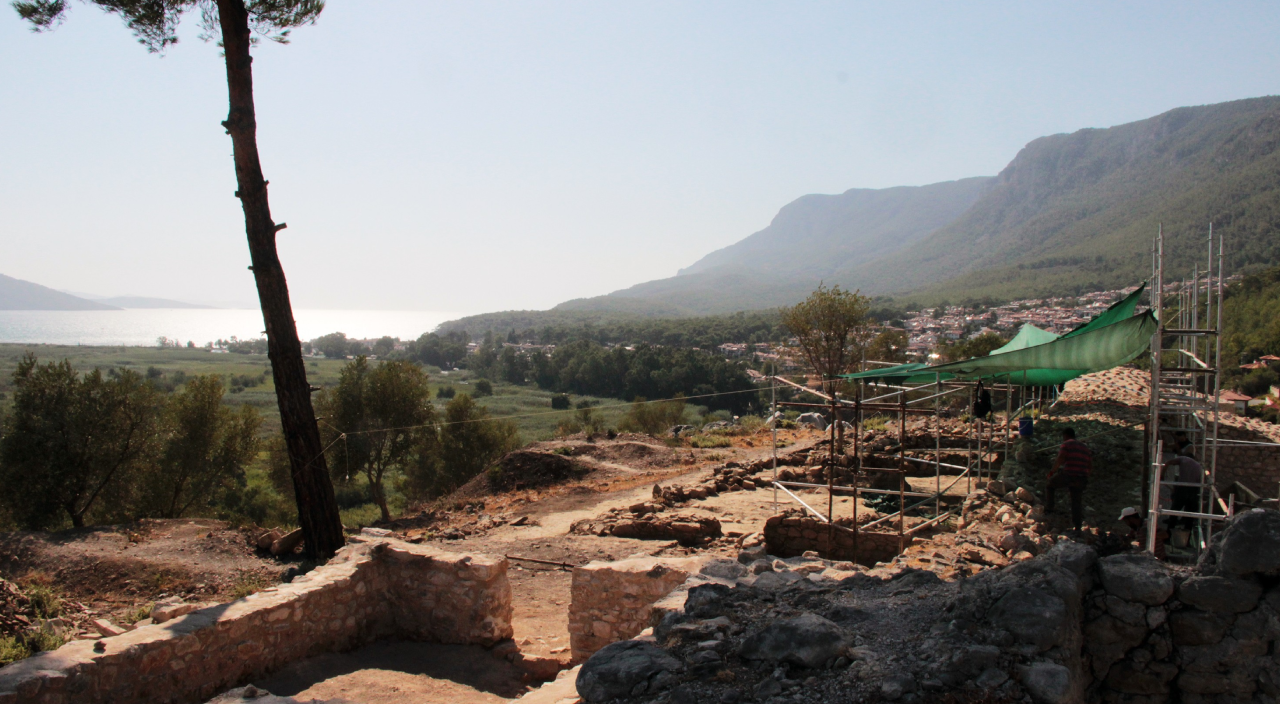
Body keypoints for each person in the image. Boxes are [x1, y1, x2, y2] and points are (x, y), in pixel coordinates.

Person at [1047, 427, 1091, 533]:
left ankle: (1049, 509)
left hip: (1069, 474)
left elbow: (1060, 458)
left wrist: (1052, 472)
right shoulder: (1085, 447)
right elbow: (1090, 465)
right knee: (1076, 501)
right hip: (1081, 477)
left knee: (1050, 485)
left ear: (1065, 436)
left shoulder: (1066, 444)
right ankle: (1077, 526)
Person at [1163, 448, 1203, 530]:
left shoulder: (1183, 458)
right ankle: (1186, 538)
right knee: (1190, 516)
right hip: (1194, 491)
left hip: (1183, 489)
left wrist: (1161, 475)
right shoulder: (1199, 466)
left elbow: (1168, 462)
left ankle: (1168, 534)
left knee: (1174, 512)